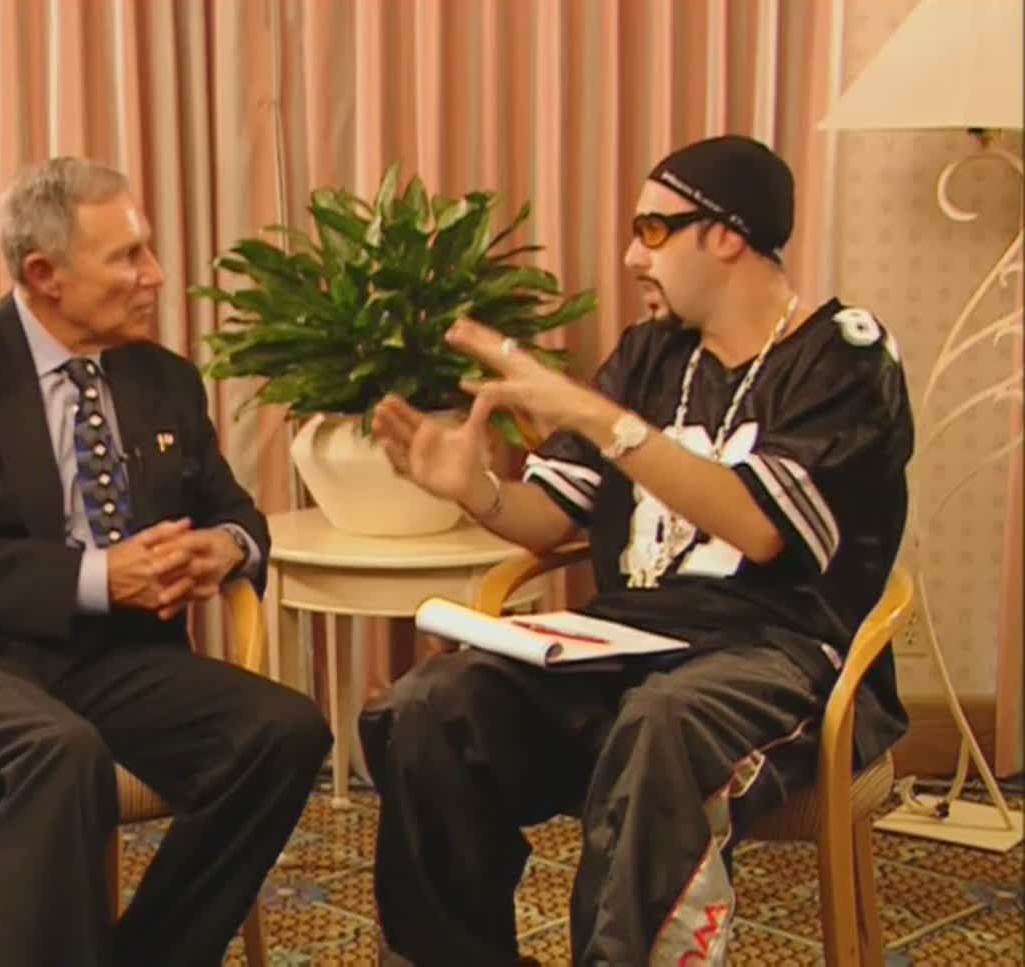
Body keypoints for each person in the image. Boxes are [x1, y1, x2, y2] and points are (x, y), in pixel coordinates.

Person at [361, 135, 913, 966]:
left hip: (781, 657)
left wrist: (592, 414)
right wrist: (473, 488)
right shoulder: (653, 354)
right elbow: (550, 517)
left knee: (661, 724)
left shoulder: (844, 356)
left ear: (727, 235)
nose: (631, 257)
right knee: (427, 708)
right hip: (623, 647)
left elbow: (760, 526)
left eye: (653, 231)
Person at [0, 157, 332, 967]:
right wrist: (98, 578)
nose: (155, 275)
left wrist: (225, 547)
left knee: (284, 732)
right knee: (59, 754)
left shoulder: (163, 379)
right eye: (128, 256)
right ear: (44, 274)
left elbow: (235, 512)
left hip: (111, 659)